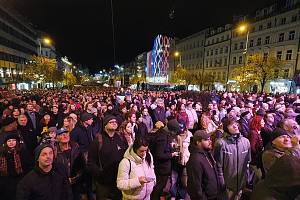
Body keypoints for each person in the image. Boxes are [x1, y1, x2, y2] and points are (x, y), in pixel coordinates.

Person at [87, 115, 128, 200]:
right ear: (105, 124)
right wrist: (99, 174)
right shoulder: (98, 140)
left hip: (119, 179)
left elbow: (126, 154)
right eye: (111, 122)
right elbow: (91, 162)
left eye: (115, 122)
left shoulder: (120, 138)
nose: (114, 123)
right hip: (103, 182)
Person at [214, 119, 251, 200]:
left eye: (236, 124)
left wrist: (247, 178)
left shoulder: (246, 142)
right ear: (226, 128)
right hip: (227, 186)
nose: (235, 126)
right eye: (231, 125)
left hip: (241, 184)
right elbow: (217, 165)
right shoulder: (221, 143)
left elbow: (248, 162)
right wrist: (222, 183)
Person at [186, 130, 222, 200]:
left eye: (209, 139)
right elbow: (195, 186)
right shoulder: (195, 159)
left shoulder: (207, 153)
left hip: (213, 196)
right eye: (206, 140)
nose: (210, 141)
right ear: (198, 142)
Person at [151, 119, 181, 200]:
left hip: (161, 167)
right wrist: (172, 154)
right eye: (174, 132)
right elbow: (159, 155)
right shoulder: (162, 137)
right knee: (159, 187)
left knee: (159, 187)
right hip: (161, 168)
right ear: (172, 131)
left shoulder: (162, 132)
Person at [55, 128, 85, 200]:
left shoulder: (76, 148)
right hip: (61, 186)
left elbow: (82, 166)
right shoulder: (54, 152)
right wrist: (65, 181)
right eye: (62, 134)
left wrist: (75, 179)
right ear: (57, 138)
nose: (65, 136)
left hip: (76, 184)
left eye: (66, 133)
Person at [0, 133, 32, 200]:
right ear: (6, 143)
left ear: (17, 141)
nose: (11, 142)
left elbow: (28, 166)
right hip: (6, 180)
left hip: (21, 178)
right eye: (9, 141)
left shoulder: (23, 151)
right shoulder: (2, 153)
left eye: (13, 140)